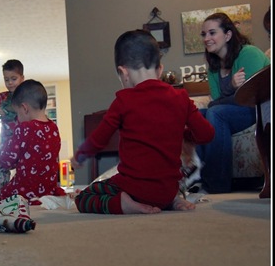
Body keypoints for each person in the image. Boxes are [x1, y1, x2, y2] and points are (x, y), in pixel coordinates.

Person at [70, 29, 215, 215]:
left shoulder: (123, 100)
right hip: (168, 189)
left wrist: (80, 156)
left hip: (134, 189)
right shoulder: (181, 97)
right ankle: (173, 199)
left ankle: (124, 204)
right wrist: (184, 134)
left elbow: (99, 138)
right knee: (172, 182)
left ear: (124, 73)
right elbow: (207, 134)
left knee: (83, 197)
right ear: (160, 69)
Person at [194, 12, 270, 193]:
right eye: (204, 34)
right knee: (197, 115)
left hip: (258, 109)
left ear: (227, 35)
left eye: (212, 33)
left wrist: (229, 91)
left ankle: (218, 184)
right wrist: (232, 87)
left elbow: (251, 96)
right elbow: (215, 101)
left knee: (216, 113)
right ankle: (199, 178)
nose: (207, 38)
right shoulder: (213, 66)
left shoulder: (248, 53)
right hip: (232, 112)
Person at [0, 79, 66, 205]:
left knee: (4, 194)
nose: (18, 118)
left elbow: (9, 157)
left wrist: (1, 163)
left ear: (24, 108)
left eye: (17, 113)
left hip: (26, 189)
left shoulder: (23, 128)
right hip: (48, 189)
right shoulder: (53, 128)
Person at [0, 59, 25, 204]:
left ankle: (23, 192)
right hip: (6, 139)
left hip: (23, 139)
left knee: (24, 165)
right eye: (6, 79)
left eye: (14, 79)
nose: (10, 83)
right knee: (1, 166)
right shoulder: (2, 96)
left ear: (22, 78)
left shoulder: (25, 95)